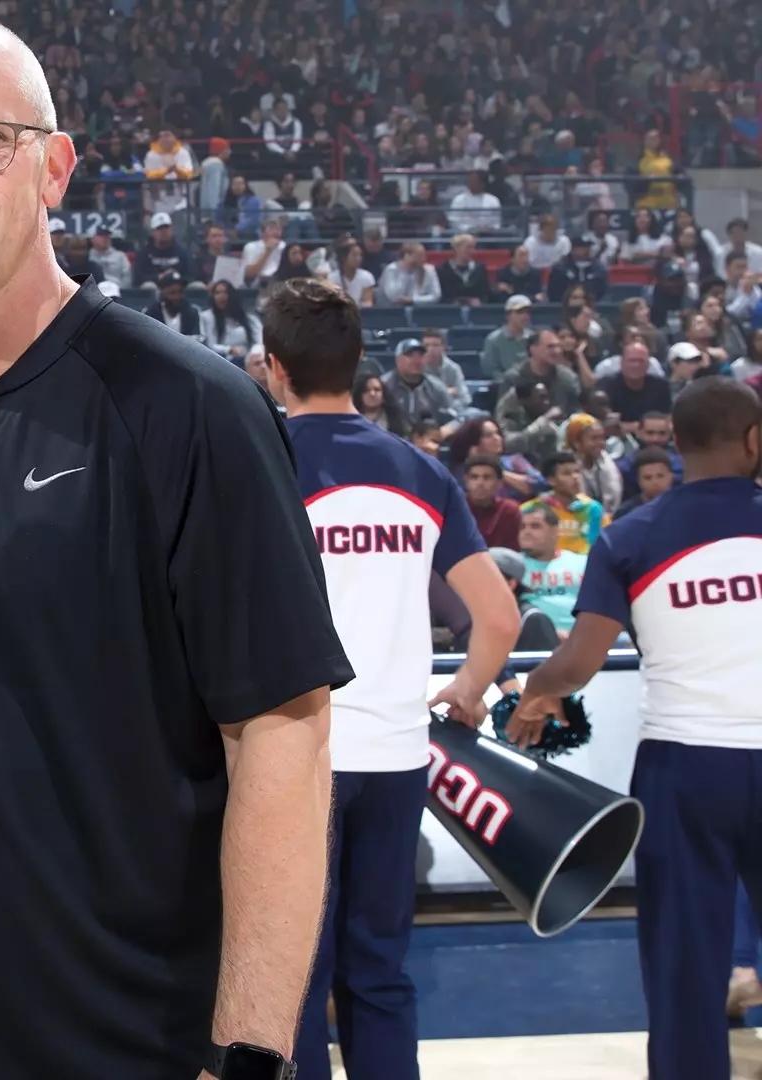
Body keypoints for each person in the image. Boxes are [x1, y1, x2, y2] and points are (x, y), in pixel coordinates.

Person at [0, 14, 352, 1077]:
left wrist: (248, 1051)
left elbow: (283, 733)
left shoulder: (190, 408)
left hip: (137, 1049)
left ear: (53, 169)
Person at [259, 277, 518, 1080]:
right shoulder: (420, 470)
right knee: (378, 970)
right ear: (359, 360)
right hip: (398, 758)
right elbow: (500, 618)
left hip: (294, 755)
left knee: (290, 978)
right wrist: (468, 689)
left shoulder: (260, 461)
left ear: (273, 367)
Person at [510, 376, 762, 1080]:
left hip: (685, 768)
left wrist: (535, 691)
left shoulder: (632, 536)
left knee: (686, 969)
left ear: (674, 446)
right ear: (754, 441)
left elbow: (581, 662)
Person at [514, 502, 586, 635]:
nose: (526, 532)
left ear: (555, 531)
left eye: (535, 526)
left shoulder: (583, 563)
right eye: (522, 527)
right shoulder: (511, 566)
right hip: (534, 639)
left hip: (584, 637)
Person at [522, 452, 610, 555]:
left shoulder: (593, 509)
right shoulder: (530, 510)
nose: (575, 477)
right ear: (551, 480)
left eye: (577, 471)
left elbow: (605, 546)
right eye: (567, 473)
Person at [462, 452, 523, 548]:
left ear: (499, 483)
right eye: (474, 477)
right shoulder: (453, 508)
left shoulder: (510, 510)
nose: (480, 483)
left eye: (487, 477)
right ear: (466, 481)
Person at [616, 446, 676, 516]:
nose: (655, 482)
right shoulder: (626, 512)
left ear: (671, 477)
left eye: (660, 476)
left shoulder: (683, 506)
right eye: (648, 478)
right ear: (639, 480)